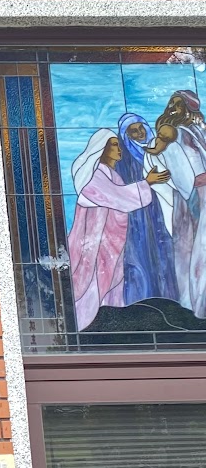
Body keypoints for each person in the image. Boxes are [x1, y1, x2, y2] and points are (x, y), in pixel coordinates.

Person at [67, 130, 165, 331]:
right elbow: (119, 198)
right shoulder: (93, 177)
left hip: (109, 246)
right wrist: (147, 182)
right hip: (92, 247)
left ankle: (106, 325)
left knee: (111, 282)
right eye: (113, 144)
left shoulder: (113, 176)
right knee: (91, 284)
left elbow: (119, 200)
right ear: (101, 149)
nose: (119, 148)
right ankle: (84, 326)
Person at [145, 90, 206, 316]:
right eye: (171, 103)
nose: (172, 107)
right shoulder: (172, 133)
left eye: (178, 104)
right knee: (189, 248)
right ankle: (193, 305)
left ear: (189, 109)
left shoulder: (196, 132)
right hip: (190, 195)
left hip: (198, 192)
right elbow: (163, 160)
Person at [114, 113, 177, 304]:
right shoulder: (123, 160)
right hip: (137, 216)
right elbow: (121, 190)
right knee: (140, 258)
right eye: (134, 131)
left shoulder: (158, 149)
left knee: (164, 254)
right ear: (126, 136)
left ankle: (170, 301)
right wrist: (147, 182)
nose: (140, 133)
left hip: (159, 209)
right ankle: (142, 303)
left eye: (141, 127)